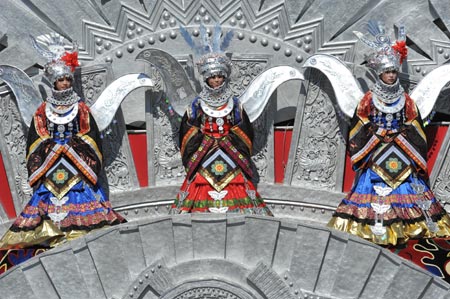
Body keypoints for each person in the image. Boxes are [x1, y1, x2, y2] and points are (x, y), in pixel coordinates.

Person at [327, 22, 450, 246]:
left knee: (409, 190)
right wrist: (378, 133)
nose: (391, 76)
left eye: (393, 71)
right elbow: (359, 124)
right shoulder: (368, 99)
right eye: (387, 72)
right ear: (379, 74)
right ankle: (378, 227)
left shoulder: (407, 100)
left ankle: (409, 227)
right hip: (376, 156)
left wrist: (402, 134)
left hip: (403, 154)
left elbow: (415, 123)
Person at [0, 35, 126, 249]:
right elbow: (36, 138)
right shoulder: (43, 110)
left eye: (68, 79)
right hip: (51, 167)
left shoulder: (81, 109)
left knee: (84, 201)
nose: (65, 83)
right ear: (53, 82)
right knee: (47, 202)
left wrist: (73, 145)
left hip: (76, 167)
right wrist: (51, 146)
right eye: (61, 80)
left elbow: (90, 135)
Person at [172, 26, 272, 215]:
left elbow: (245, 130)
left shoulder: (234, 104)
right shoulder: (197, 105)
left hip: (230, 153)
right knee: (200, 183)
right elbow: (187, 131)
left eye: (219, 77)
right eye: (212, 77)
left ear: (225, 77)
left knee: (237, 182)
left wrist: (228, 138)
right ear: (206, 79)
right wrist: (205, 139)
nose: (216, 80)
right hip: (205, 154)